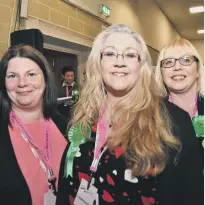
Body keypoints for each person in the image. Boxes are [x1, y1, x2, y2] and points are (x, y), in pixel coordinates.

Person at [56, 25, 203, 205]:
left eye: (130, 55)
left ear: (141, 66)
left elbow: (191, 196)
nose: (120, 61)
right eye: (110, 54)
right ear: (98, 63)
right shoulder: (81, 114)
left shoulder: (173, 121)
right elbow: (65, 184)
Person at [0, 44, 67, 205]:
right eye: (12, 76)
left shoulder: (67, 126)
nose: (22, 83)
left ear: (45, 79)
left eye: (31, 74)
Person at [155, 38, 204, 162]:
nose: (177, 67)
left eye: (186, 60)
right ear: (161, 73)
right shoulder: (151, 115)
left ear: (198, 70)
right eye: (168, 62)